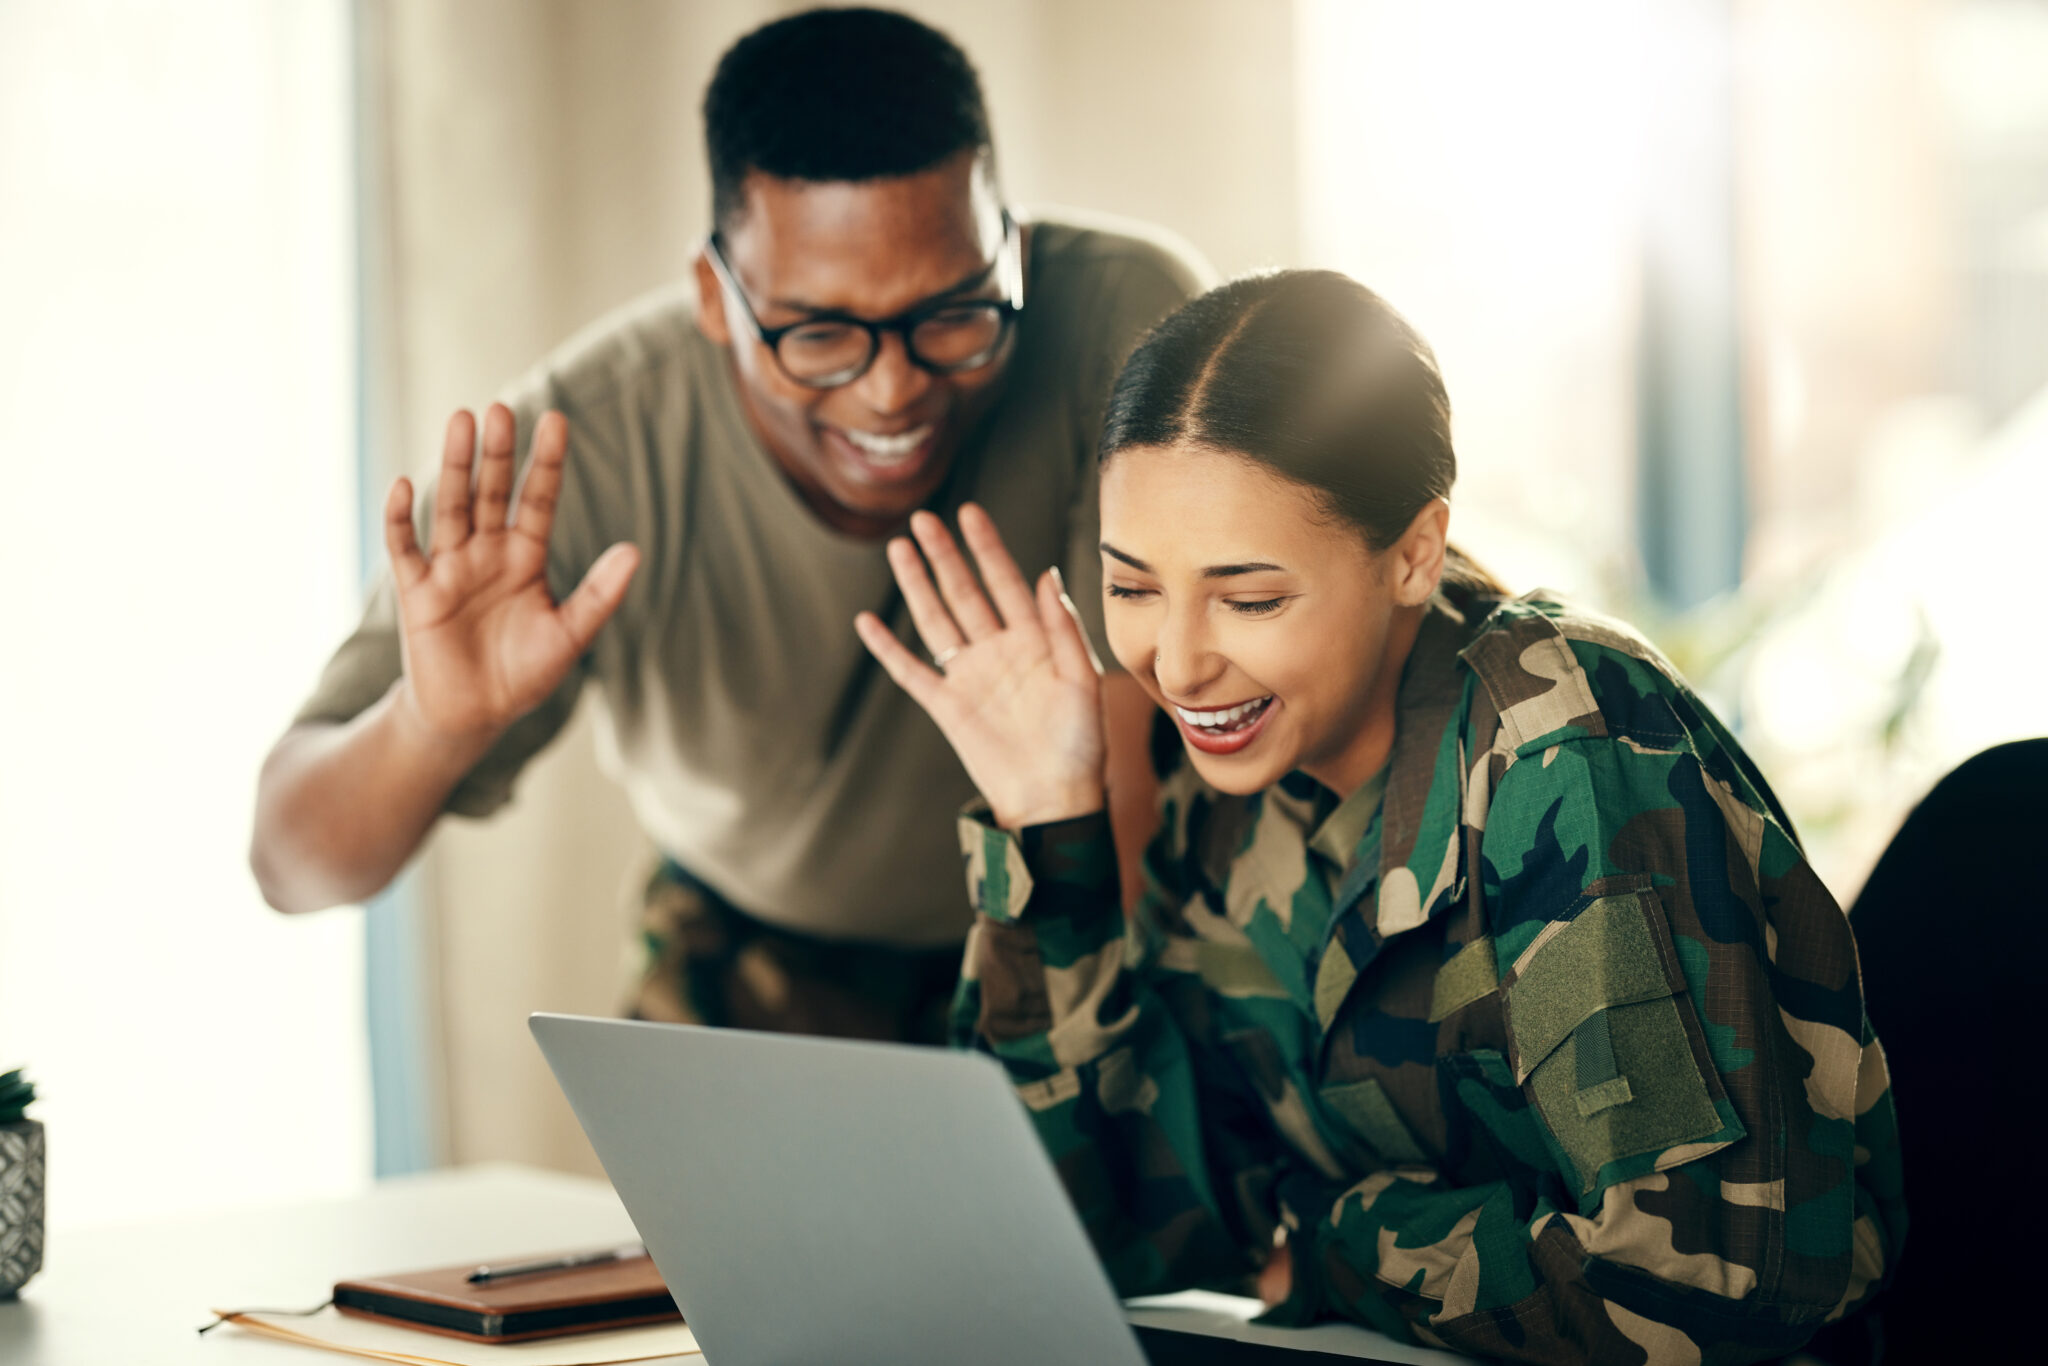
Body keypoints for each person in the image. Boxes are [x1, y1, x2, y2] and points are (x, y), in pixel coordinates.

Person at [856, 271, 1904, 1361]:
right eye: (1130, 587)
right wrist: (1053, 838)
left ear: (1410, 554)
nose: (1174, 662)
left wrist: (1341, 1243)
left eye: (1247, 597)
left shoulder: (1563, 748)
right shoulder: (1227, 779)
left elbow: (1705, 1269)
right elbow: (1110, 1238)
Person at [249, 7, 1207, 1043]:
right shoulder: (577, 456)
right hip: (745, 944)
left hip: (1073, 898)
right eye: (819, 333)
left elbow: (1118, 813)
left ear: (1009, 252)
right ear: (715, 297)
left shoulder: (1125, 322)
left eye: (951, 313)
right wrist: (432, 727)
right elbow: (290, 864)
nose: (891, 390)